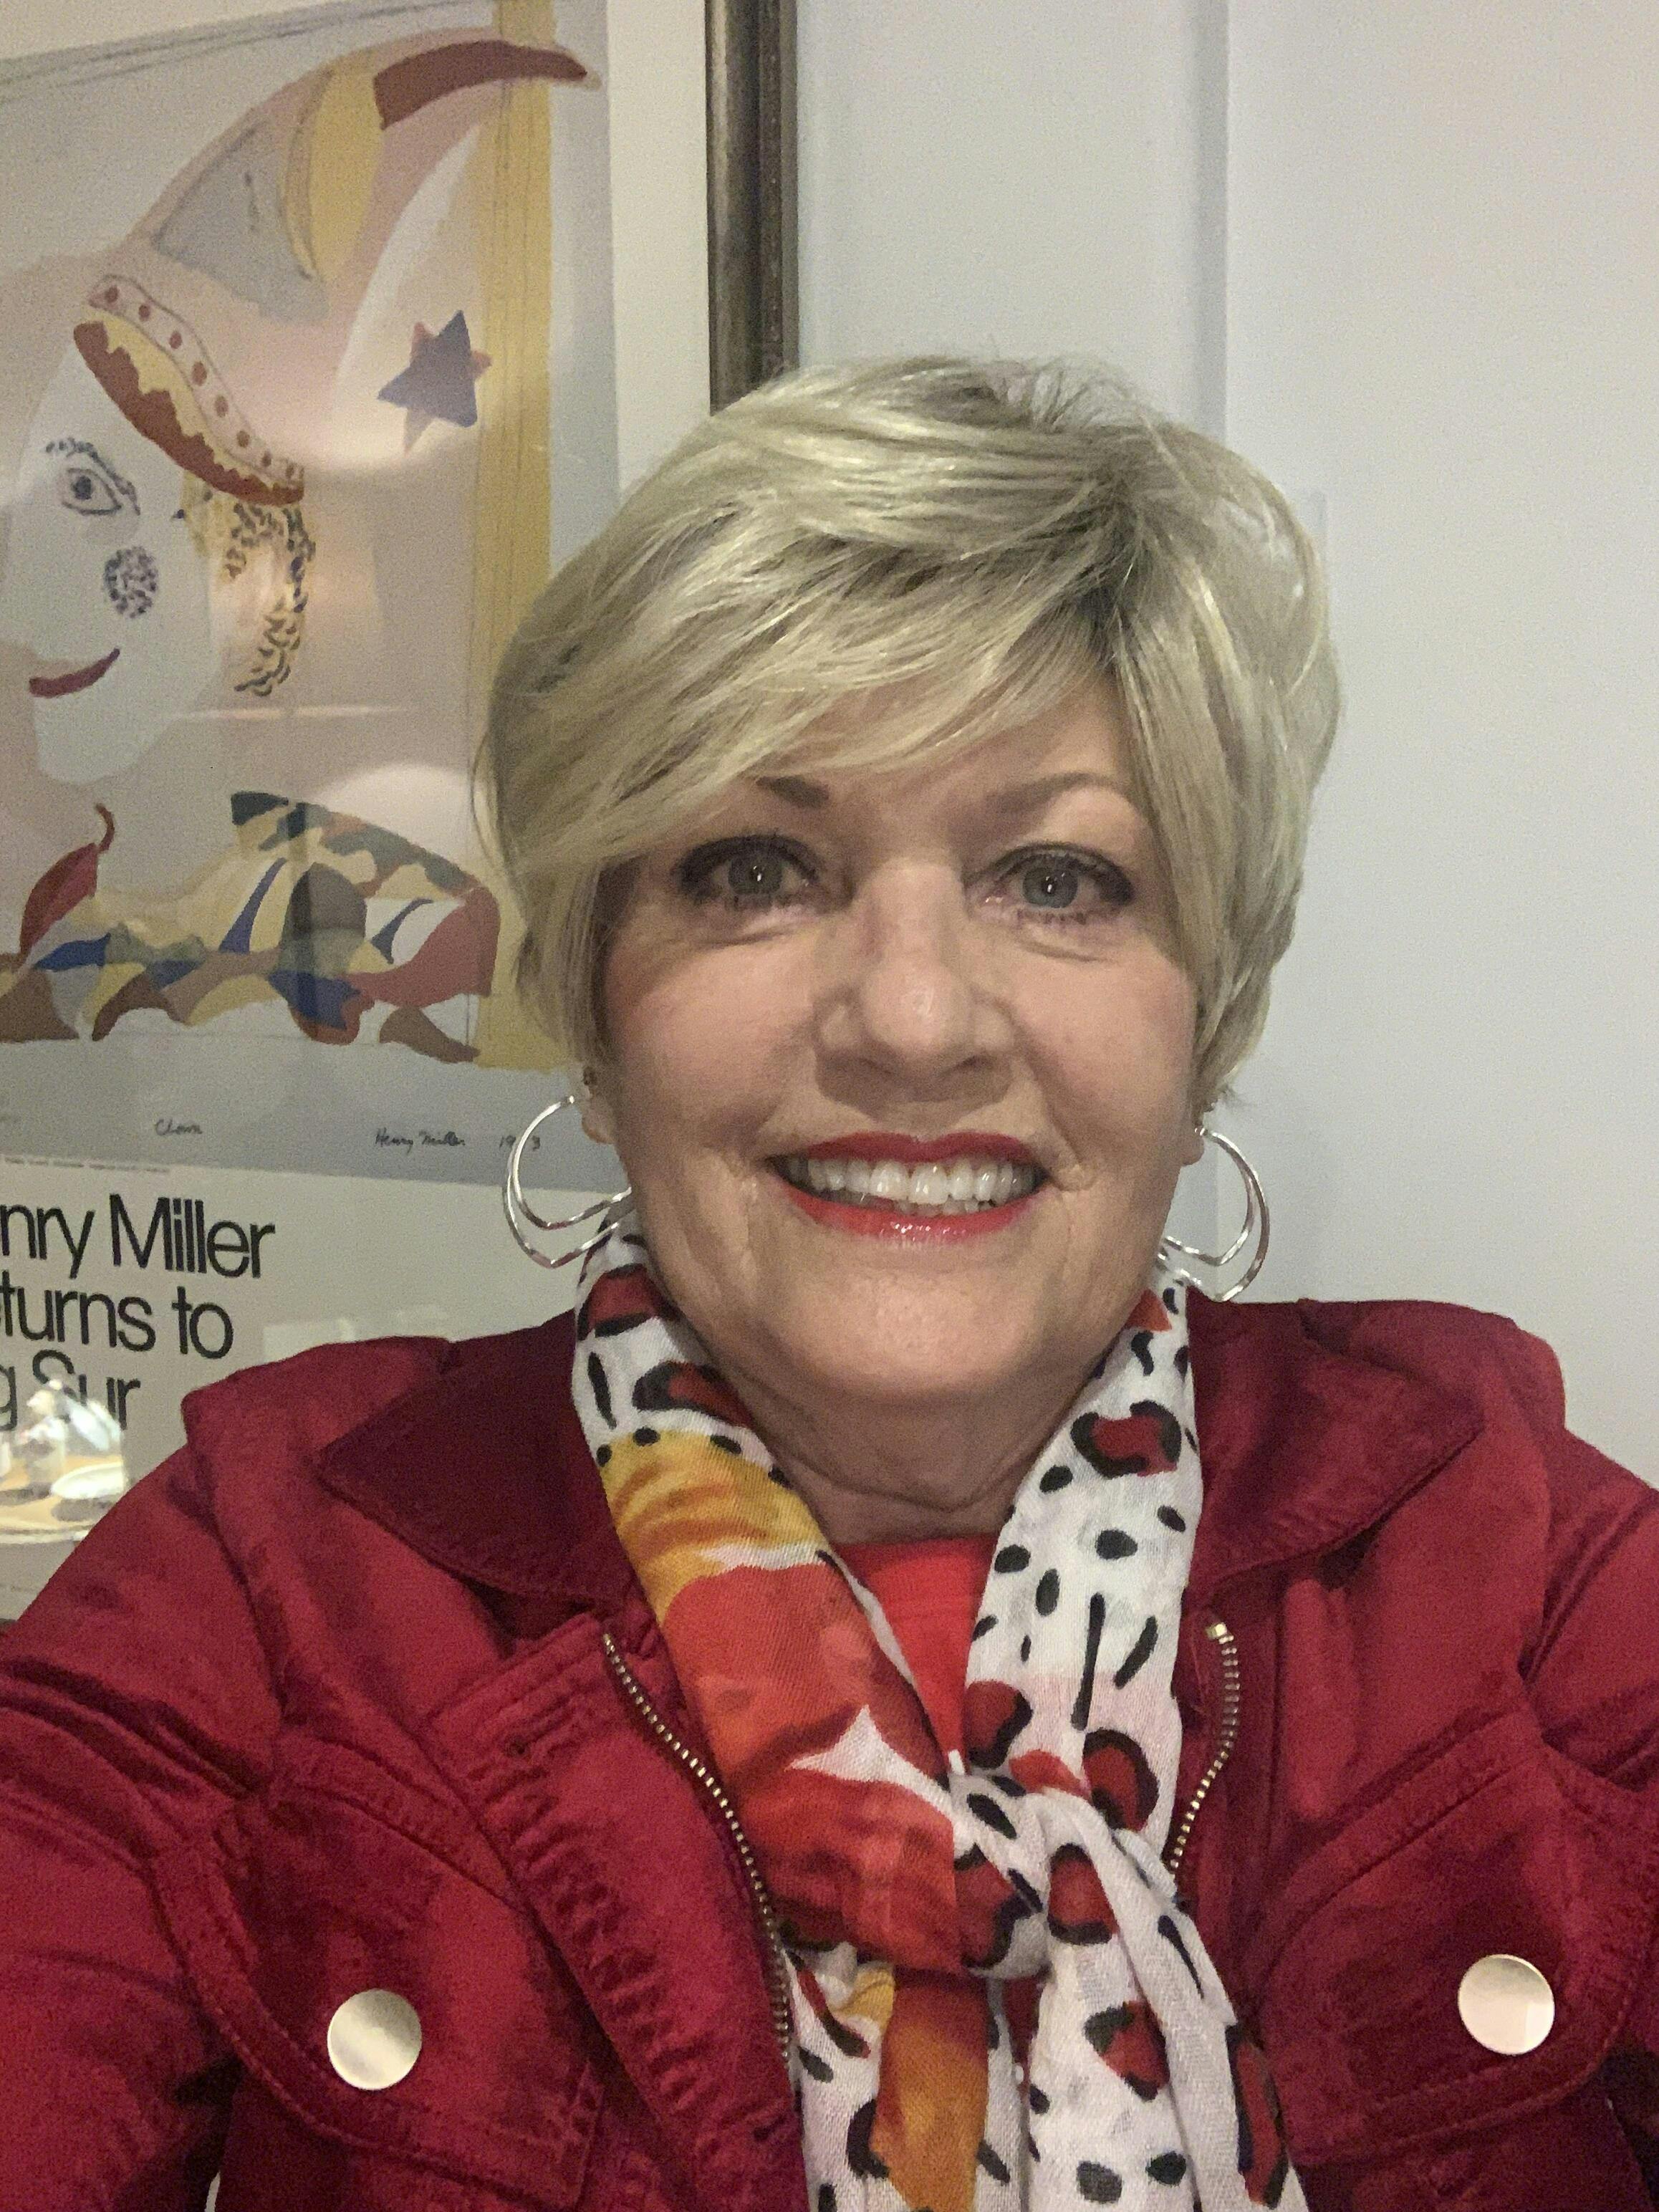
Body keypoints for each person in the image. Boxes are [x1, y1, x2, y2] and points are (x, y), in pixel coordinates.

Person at [1, 359, 1655, 2212]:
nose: (915, 1020)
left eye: (1057, 877)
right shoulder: (272, 1582)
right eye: (752, 869)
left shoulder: (1501, 1552)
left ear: (1207, 1020)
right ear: (598, 1013)